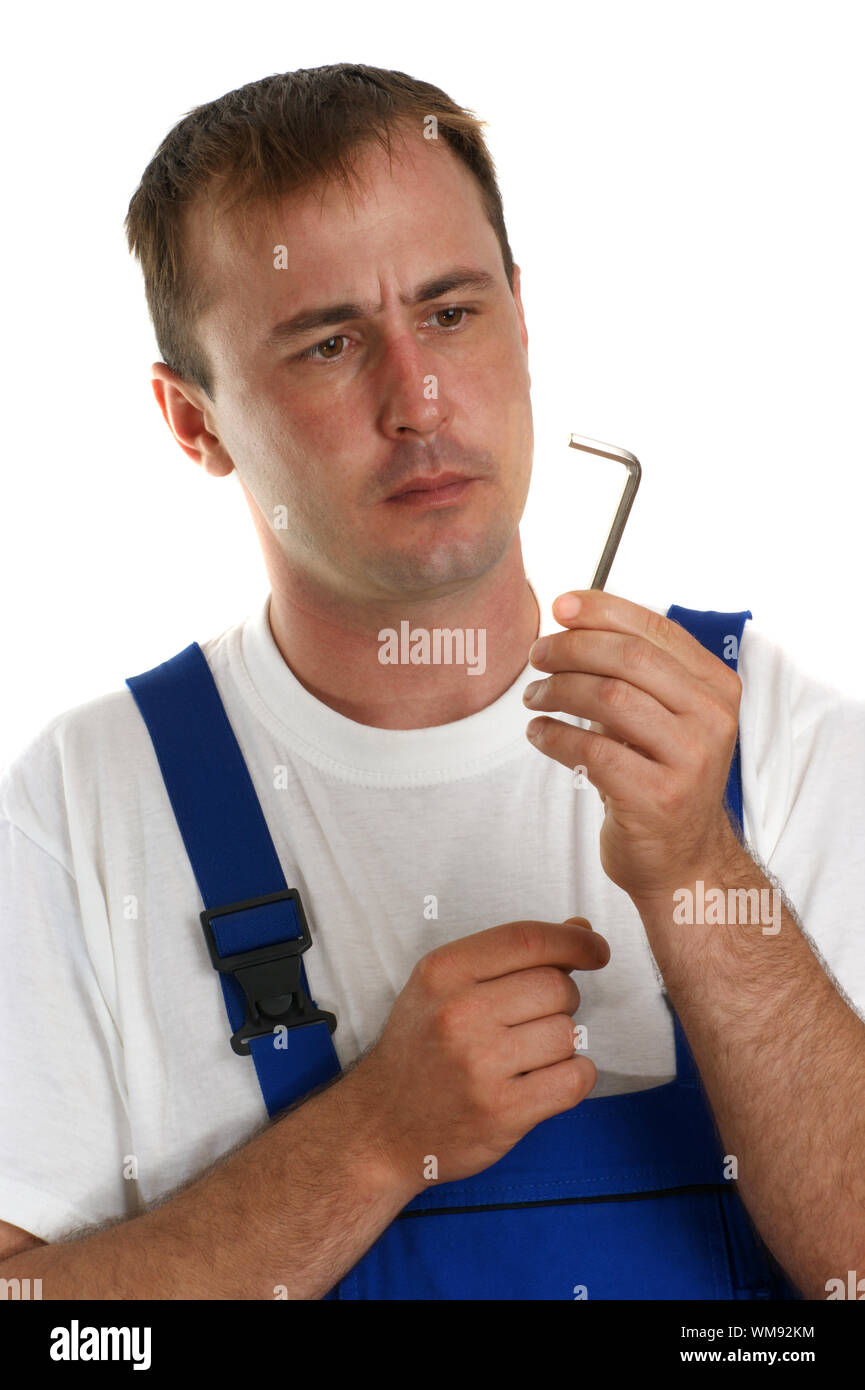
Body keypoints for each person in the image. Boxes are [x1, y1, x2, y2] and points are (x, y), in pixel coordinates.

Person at [1, 63, 864, 1302]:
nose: (417, 399)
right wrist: (368, 1142)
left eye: (451, 312)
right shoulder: (79, 808)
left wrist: (698, 871)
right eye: (330, 341)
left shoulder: (766, 729)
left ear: (521, 315)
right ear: (193, 423)